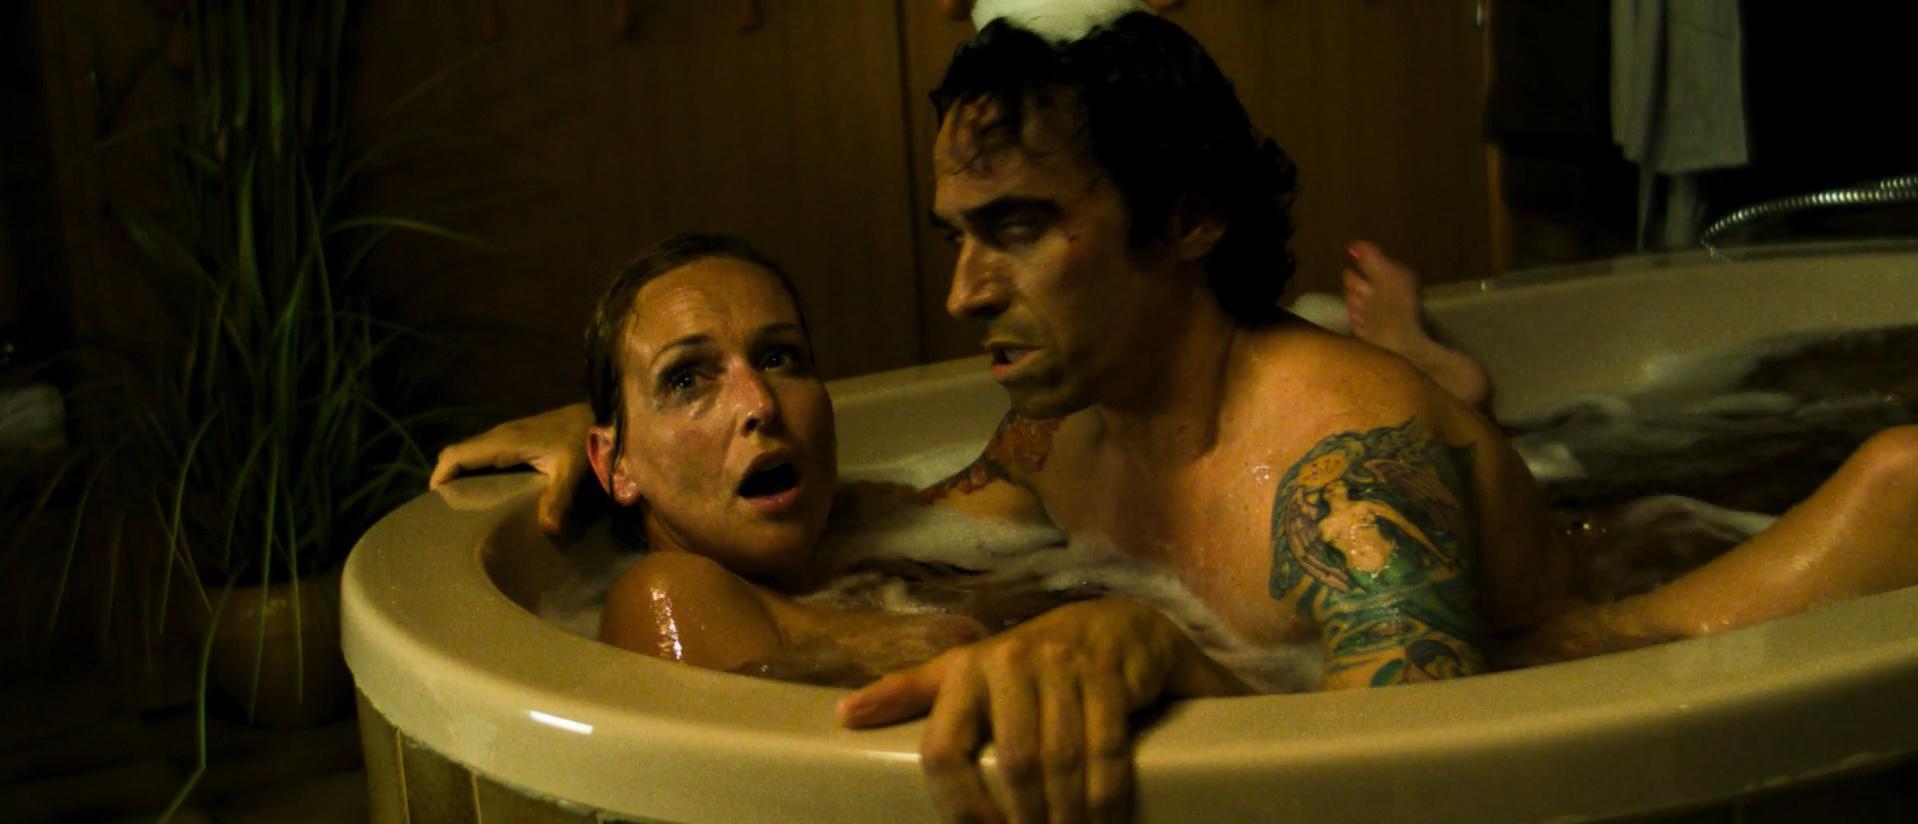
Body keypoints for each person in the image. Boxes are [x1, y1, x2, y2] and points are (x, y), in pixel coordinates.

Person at [432, 8, 1918, 822]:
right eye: (959, 233)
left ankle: (1464, 408)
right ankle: (1475, 402)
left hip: (1606, 643)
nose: (961, 290)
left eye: (1017, 228)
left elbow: (1426, 776)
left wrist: (1159, 651)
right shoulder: (1061, 431)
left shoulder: (1344, 466)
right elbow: (871, 526)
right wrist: (620, 452)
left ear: (1187, 217)